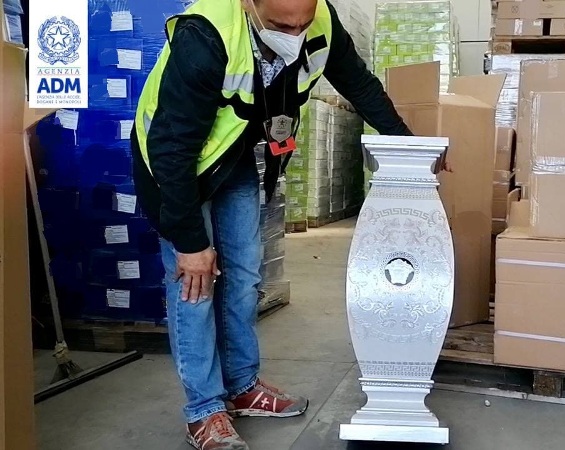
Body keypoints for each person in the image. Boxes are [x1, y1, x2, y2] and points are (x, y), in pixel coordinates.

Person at [130, 0, 413, 448]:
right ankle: (204, 409)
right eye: (282, 25)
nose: (295, 35)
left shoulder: (321, 21)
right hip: (175, 168)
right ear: (249, 3)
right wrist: (190, 243)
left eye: (303, 23)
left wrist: (408, 144)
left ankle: (242, 385)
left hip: (235, 155)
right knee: (195, 284)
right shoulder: (204, 36)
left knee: (244, 276)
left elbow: (357, 83)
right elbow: (171, 148)